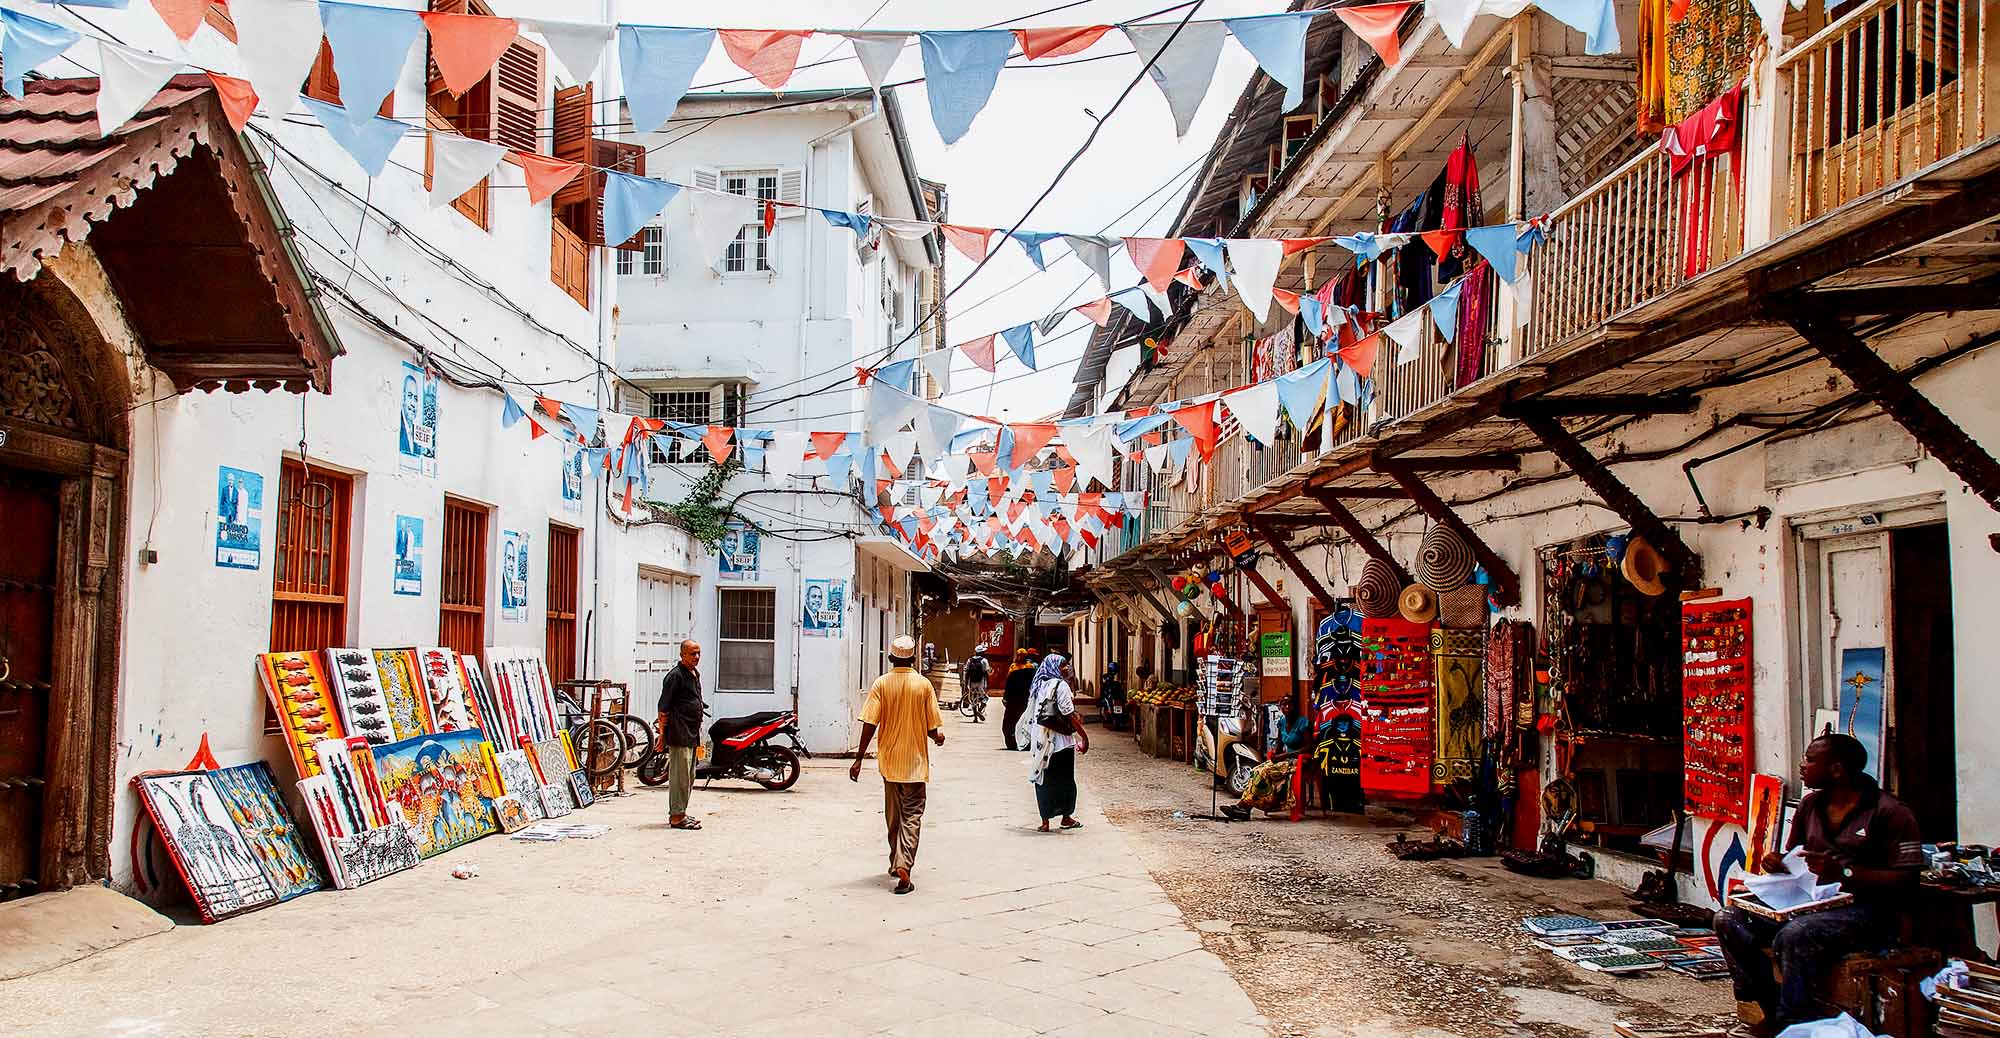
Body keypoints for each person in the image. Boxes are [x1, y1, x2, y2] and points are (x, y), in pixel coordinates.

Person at [1716, 734, 1922, 1034]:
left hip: (1866, 910)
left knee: (1795, 933)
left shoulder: (1890, 812)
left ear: (1836, 769)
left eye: (1810, 760)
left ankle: (1794, 1020)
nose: (1802, 765)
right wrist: (1779, 862)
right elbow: (1795, 855)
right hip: (1807, 901)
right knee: (1728, 919)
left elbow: (1907, 880)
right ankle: (1764, 1005)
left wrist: (1847, 873)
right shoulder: (1810, 805)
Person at [849, 635, 945, 895]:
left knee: (893, 815)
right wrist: (938, 737)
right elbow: (932, 728)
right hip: (914, 764)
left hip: (889, 763)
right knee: (912, 814)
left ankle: (895, 861)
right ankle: (904, 864)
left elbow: (870, 722)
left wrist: (859, 758)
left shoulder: (881, 684)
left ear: (891, 658)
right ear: (914, 658)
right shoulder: (923, 686)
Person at [1026, 653, 1088, 832]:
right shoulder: (1061, 686)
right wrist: (1084, 737)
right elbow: (1069, 714)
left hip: (1041, 742)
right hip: (1060, 742)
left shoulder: (1039, 685)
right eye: (1063, 666)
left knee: (1044, 779)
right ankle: (1066, 818)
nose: (1066, 668)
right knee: (1065, 781)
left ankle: (1045, 821)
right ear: (1055, 667)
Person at [655, 640, 706, 831]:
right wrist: (662, 736)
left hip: (691, 734)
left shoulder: (693, 674)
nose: (696, 657)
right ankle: (676, 816)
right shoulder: (675, 677)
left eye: (698, 653)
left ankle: (681, 811)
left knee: (689, 775)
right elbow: (663, 709)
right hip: (678, 732)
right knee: (679, 777)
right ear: (682, 655)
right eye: (692, 654)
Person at [1002, 649, 1037, 750]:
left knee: (1011, 722)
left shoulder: (1013, 669)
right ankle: (1025, 742)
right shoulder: (1031, 668)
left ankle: (1013, 742)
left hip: (1015, 701)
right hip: (1025, 700)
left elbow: (1009, 683)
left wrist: (1005, 698)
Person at [962, 653, 990, 723]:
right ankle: (979, 711)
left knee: (973, 700)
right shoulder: (984, 660)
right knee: (985, 698)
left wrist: (966, 684)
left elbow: (967, 672)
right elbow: (986, 672)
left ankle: (975, 718)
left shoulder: (969, 660)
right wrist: (988, 684)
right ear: (982, 653)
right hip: (981, 683)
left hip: (972, 683)